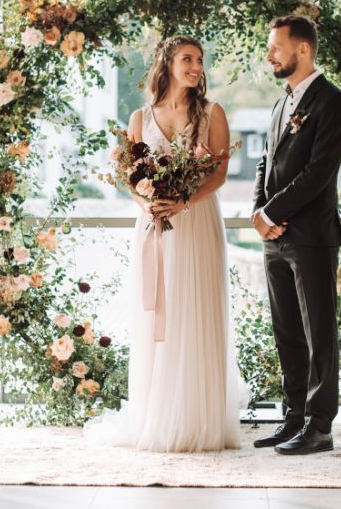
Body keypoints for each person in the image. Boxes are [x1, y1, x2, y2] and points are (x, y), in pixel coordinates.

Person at [85, 35, 242, 452]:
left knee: (196, 310)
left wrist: (184, 200)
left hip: (197, 222)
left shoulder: (212, 113)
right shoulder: (140, 118)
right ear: (168, 63)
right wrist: (147, 204)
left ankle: (197, 420)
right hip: (155, 226)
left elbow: (220, 174)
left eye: (200, 60)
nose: (195, 67)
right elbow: (129, 179)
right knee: (159, 318)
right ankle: (157, 417)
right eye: (187, 59)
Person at [251, 15, 341, 455]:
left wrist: (274, 210)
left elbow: (317, 174)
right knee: (287, 331)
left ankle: (320, 427)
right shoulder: (281, 103)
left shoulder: (333, 102)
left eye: (276, 47)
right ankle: (293, 417)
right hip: (274, 236)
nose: (270, 54)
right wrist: (259, 211)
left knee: (319, 335)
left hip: (311, 235)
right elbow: (264, 163)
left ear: (303, 50)